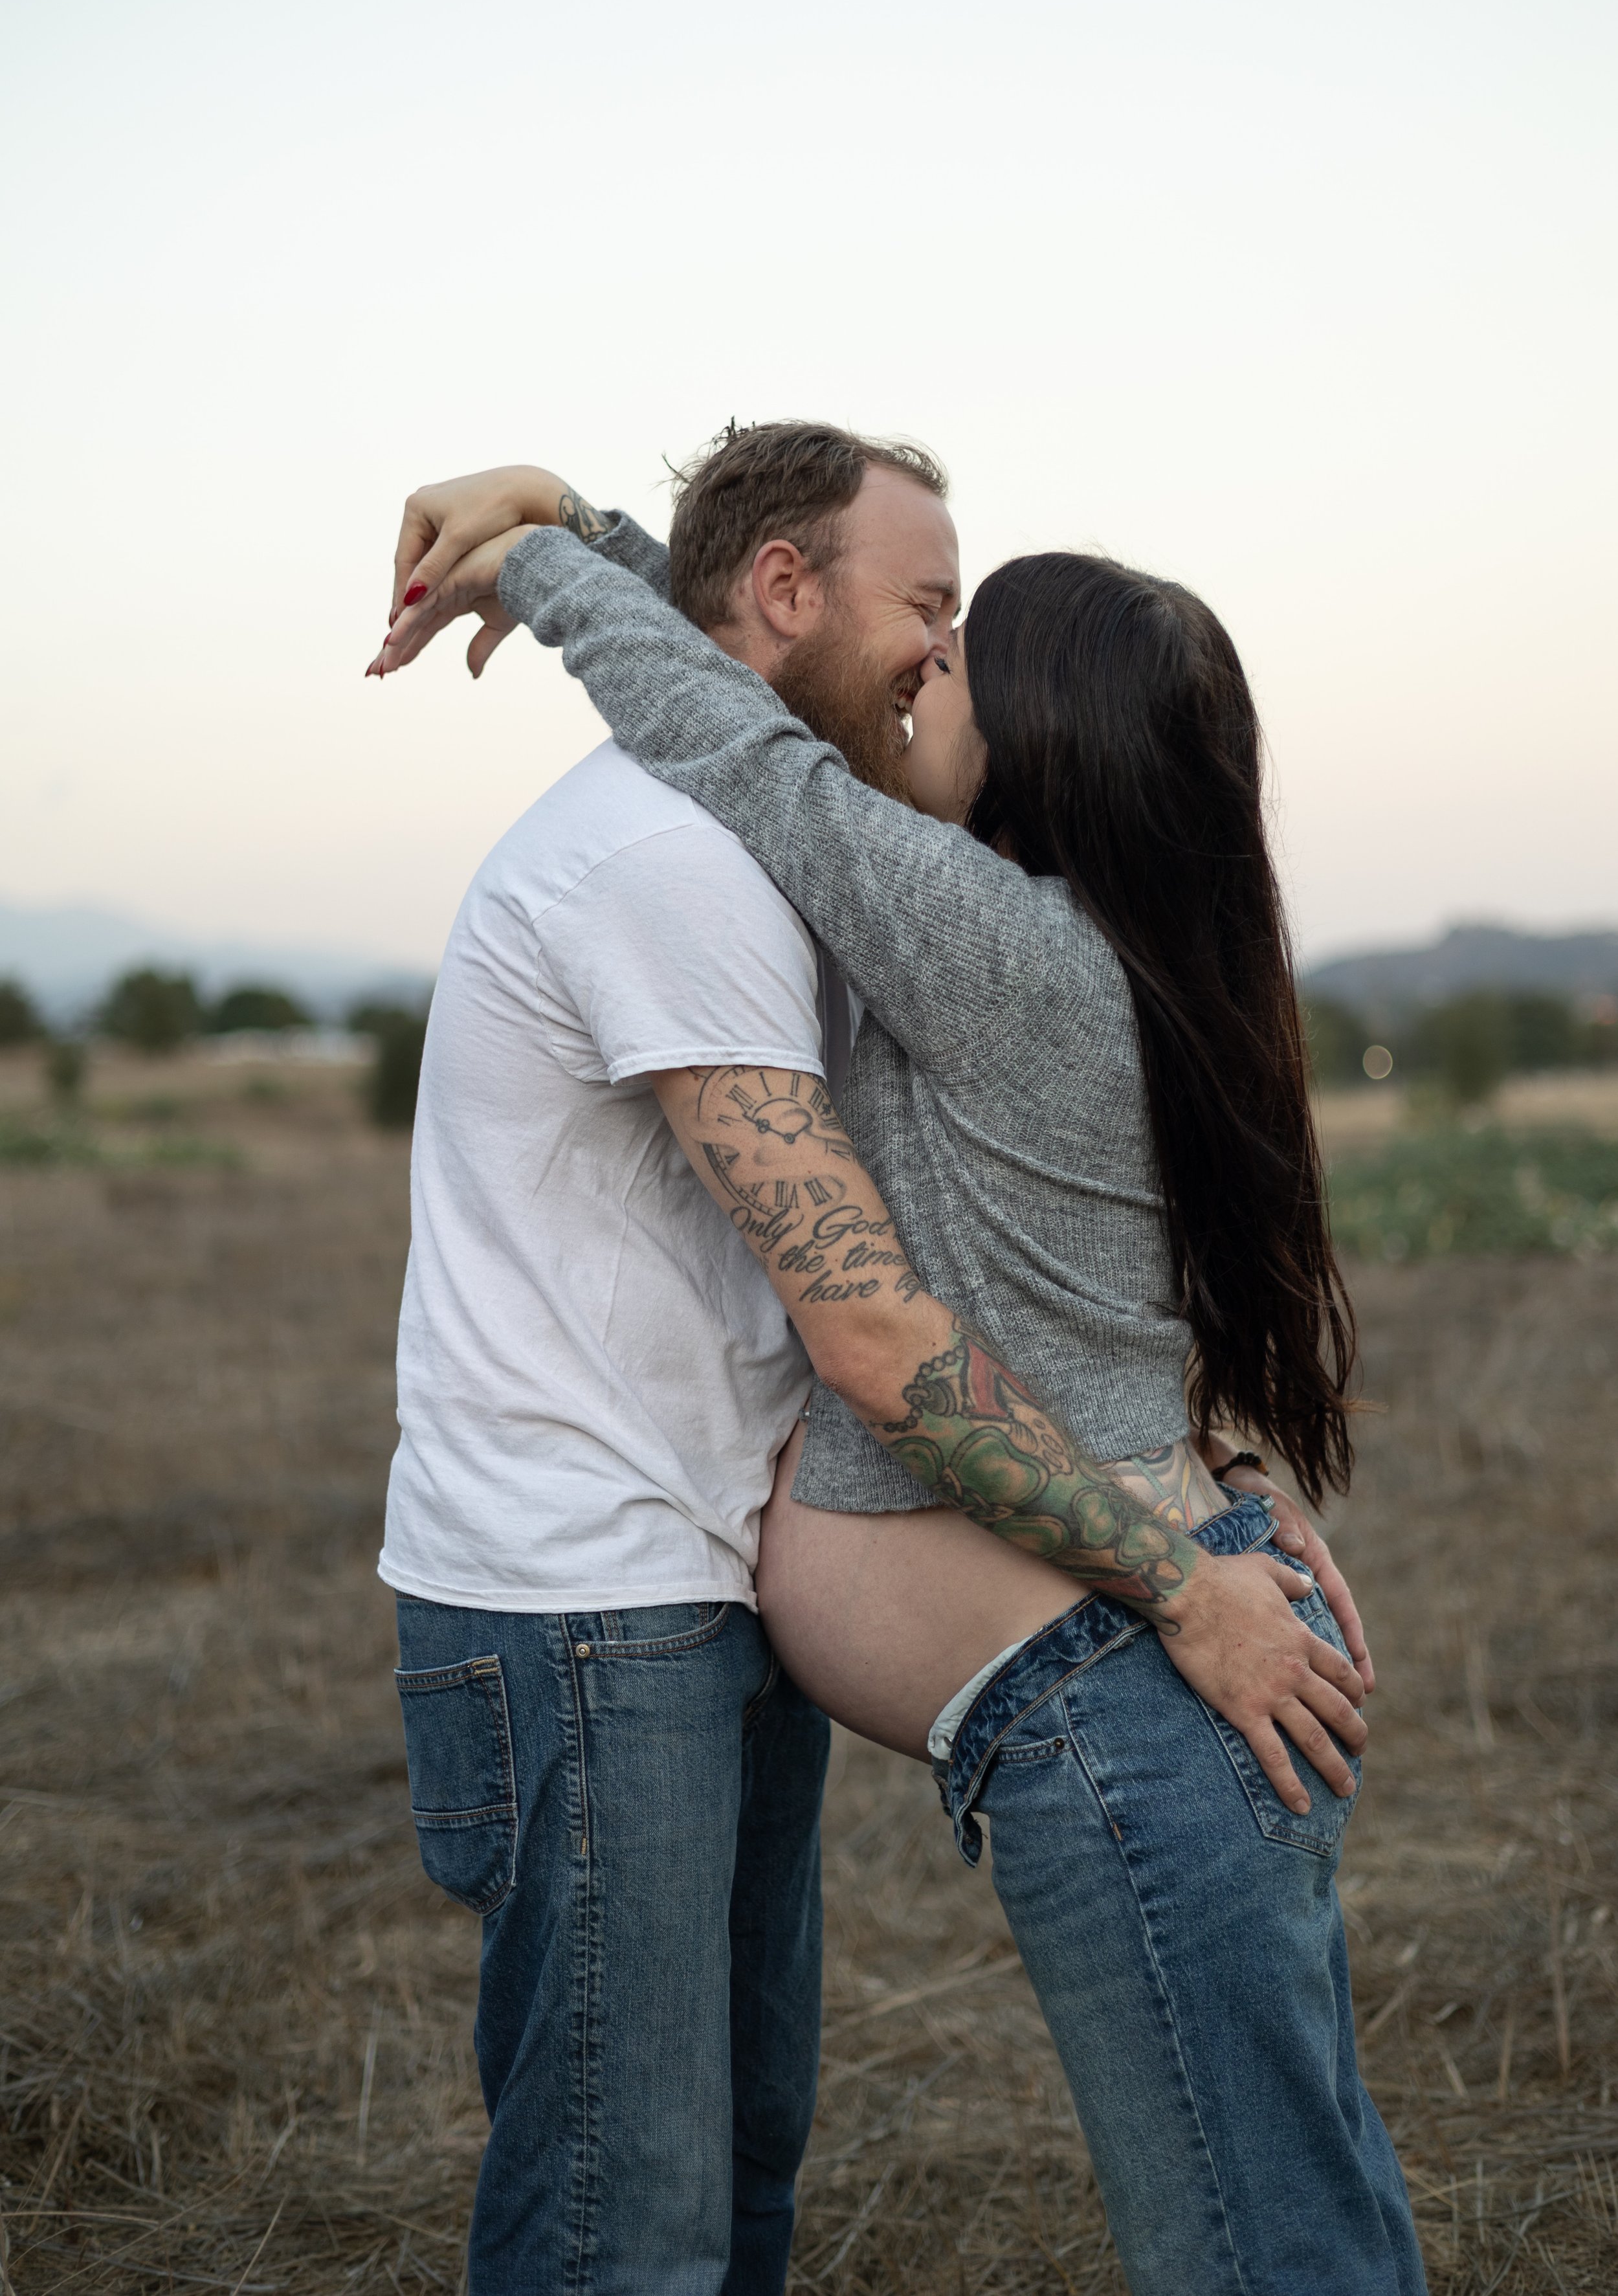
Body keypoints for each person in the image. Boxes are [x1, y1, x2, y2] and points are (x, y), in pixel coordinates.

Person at [375, 426, 1424, 2296]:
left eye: (957, 650)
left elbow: (751, 744)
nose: (926, 668)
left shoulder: (984, 938)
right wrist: (576, 525)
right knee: (1289, 2204)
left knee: (1268, 2246)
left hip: (1132, 1673)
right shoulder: (1108, 949)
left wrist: (541, 554)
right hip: (1069, 1639)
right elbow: (752, 709)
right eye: (922, 619)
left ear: (1041, 748)